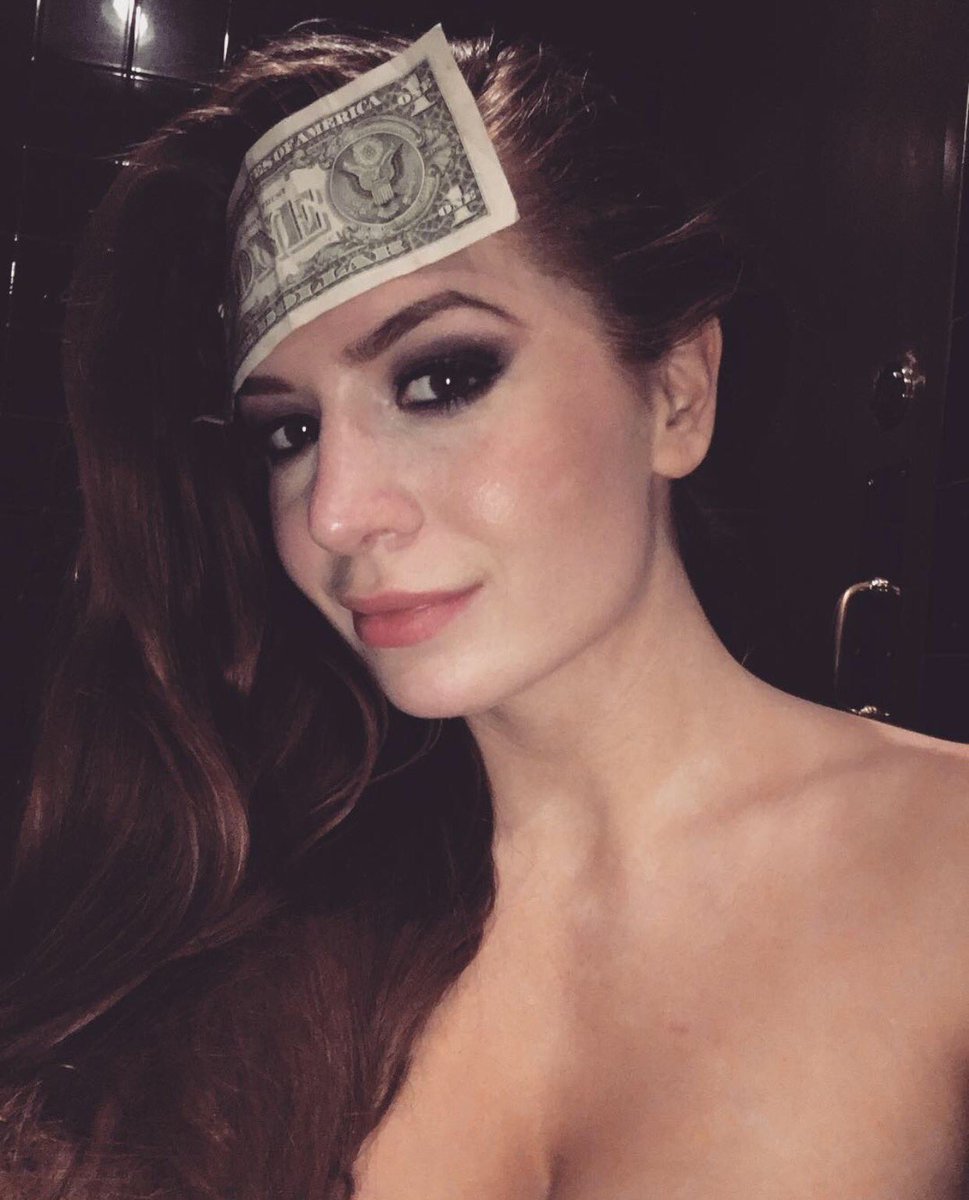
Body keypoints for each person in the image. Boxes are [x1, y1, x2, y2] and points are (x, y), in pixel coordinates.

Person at [2, 21, 969, 1200]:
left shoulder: (948, 872)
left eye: (442, 378)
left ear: (677, 393)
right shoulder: (247, 893)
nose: (336, 512)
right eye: (289, 432)